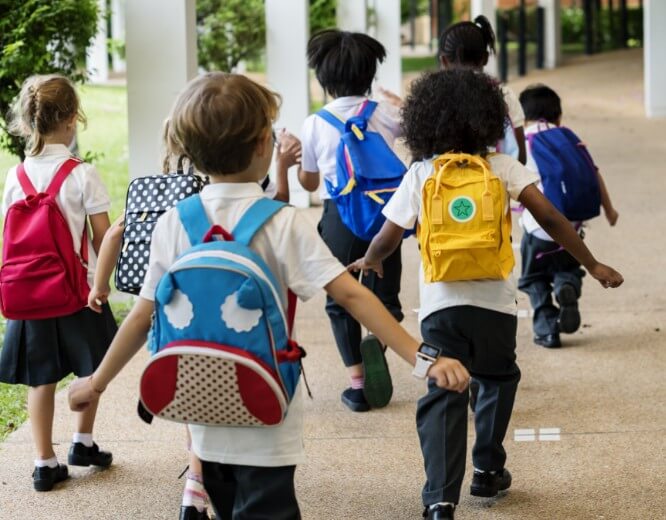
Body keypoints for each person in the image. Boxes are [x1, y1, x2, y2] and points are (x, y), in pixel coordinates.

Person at [67, 72, 471, 519]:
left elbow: (142, 317)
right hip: (267, 408)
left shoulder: (173, 222)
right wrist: (424, 358)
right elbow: (353, 297)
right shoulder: (284, 222)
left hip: (200, 411)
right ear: (264, 144)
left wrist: (96, 383)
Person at [349, 69, 623, 520]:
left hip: (440, 308)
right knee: (496, 379)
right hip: (496, 306)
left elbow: (387, 235)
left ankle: (439, 497)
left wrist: (373, 260)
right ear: (487, 119)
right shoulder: (504, 168)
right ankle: (487, 468)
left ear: (424, 122)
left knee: (443, 392)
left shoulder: (422, 172)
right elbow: (552, 219)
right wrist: (591, 264)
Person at [88, 119, 302, 520]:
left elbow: (118, 235)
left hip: (177, 316)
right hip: (240, 328)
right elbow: (281, 203)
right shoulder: (232, 194)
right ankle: (200, 478)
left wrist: (100, 286)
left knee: (196, 389)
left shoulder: (162, 191)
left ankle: (195, 484)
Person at [0, 74, 117, 491]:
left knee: (40, 378)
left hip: (29, 295)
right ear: (72, 119)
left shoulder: (17, 176)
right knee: (94, 367)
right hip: (77, 292)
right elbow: (104, 237)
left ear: (30, 122)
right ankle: (82, 442)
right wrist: (101, 285)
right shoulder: (82, 174)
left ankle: (44, 462)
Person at [298, 29, 405, 413]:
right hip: (385, 218)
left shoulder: (315, 123)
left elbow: (309, 182)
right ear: (370, 74)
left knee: (340, 301)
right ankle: (381, 336)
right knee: (386, 296)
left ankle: (358, 384)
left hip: (339, 219)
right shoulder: (387, 114)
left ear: (323, 79)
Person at [517, 84, 619, 348]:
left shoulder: (524, 142)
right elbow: (594, 173)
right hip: (572, 230)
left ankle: (547, 329)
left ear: (522, 116)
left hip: (537, 230)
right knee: (569, 266)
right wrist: (609, 209)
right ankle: (567, 285)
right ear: (558, 116)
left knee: (533, 279)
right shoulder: (569, 138)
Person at [438, 15, 527, 164]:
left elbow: (421, 154)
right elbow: (521, 158)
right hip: (494, 182)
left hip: (444, 181)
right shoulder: (504, 94)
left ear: (444, 61)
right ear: (485, 58)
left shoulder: (434, 96)